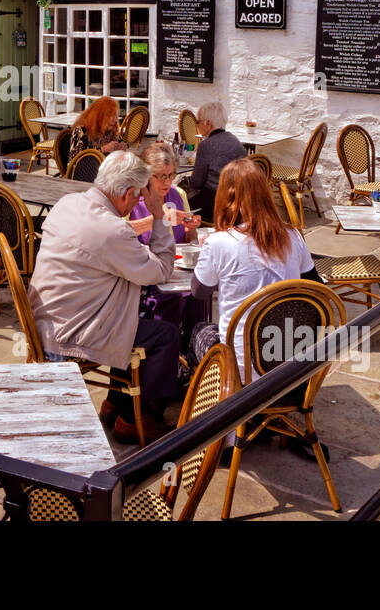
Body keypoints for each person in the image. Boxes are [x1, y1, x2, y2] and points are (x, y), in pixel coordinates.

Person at [27, 150, 177, 443]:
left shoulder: (67, 203)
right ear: (129, 193)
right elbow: (161, 270)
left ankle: (115, 404)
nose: (138, 204)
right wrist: (158, 215)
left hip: (46, 320)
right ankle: (139, 419)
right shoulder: (112, 229)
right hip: (72, 332)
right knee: (165, 335)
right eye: (138, 199)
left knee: (129, 315)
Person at [187, 158, 324, 461]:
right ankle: (276, 414)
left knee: (199, 331)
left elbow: (198, 292)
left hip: (241, 369)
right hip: (289, 362)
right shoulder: (293, 236)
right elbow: (317, 288)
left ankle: (222, 427)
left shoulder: (220, 243)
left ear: (227, 197)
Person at [132, 143, 207, 364]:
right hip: (146, 274)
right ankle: (166, 359)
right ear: (147, 175)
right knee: (172, 300)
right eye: (160, 176)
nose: (167, 182)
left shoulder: (178, 194)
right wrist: (156, 219)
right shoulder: (134, 198)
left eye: (171, 175)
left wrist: (191, 229)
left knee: (199, 294)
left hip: (177, 271)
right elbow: (120, 233)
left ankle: (190, 356)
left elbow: (188, 239)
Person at [187, 101, 244, 221]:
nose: (197, 125)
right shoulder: (236, 142)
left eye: (198, 121)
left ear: (208, 123)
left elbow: (196, 183)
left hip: (215, 203)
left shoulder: (206, 145)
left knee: (179, 205)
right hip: (237, 203)